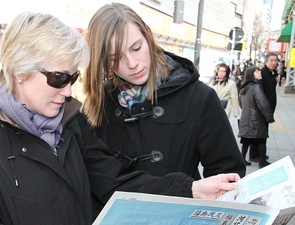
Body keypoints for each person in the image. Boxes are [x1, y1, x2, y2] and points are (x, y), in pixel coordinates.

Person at [0, 11, 241, 225]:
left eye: (72, 79)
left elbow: (115, 180)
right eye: (59, 78)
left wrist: (189, 189)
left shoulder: (72, 123)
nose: (69, 91)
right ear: (20, 71)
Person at [82, 3, 246, 180]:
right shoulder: (97, 104)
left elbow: (228, 174)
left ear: (148, 35)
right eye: (115, 58)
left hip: (184, 206)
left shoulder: (199, 98)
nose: (132, 63)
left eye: (136, 48)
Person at [238, 66, 274, 167]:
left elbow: (241, 103)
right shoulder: (256, 87)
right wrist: (269, 117)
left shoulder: (244, 87)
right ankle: (262, 161)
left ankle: (242, 159)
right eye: (257, 71)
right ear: (251, 74)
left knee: (246, 140)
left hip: (246, 117)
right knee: (261, 139)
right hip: (256, 119)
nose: (260, 73)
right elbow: (263, 103)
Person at [249, 52, 278, 162]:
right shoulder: (263, 73)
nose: (273, 63)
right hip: (262, 108)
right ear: (266, 62)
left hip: (267, 108)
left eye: (275, 61)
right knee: (261, 133)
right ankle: (256, 155)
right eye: (271, 60)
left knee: (261, 132)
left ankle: (257, 153)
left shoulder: (272, 73)